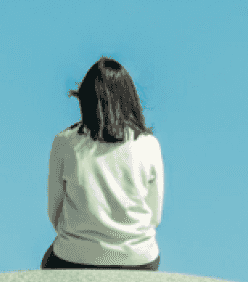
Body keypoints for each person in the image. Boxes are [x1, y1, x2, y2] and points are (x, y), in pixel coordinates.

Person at [41, 57, 163, 271]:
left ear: (85, 99)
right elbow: (154, 214)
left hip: (75, 256)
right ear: (130, 98)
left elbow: (54, 211)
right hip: (138, 258)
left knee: (48, 262)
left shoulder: (65, 142)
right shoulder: (149, 144)